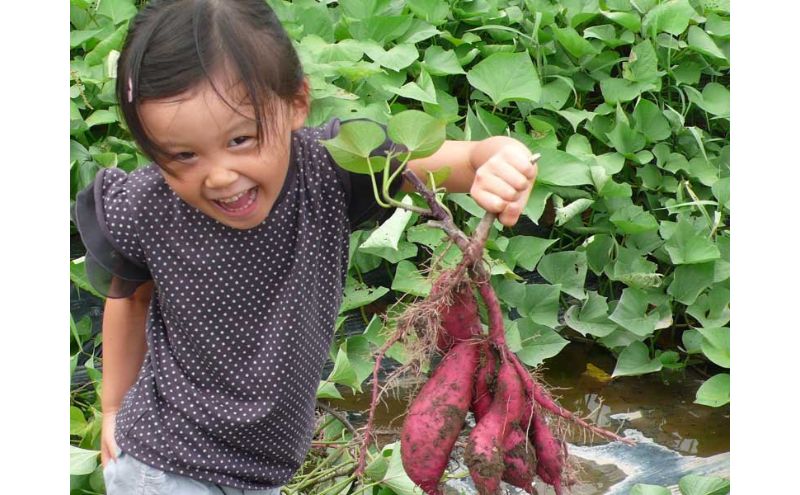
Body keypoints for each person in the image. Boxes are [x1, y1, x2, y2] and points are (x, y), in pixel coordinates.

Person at [71, 1, 539, 493]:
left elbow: (465, 160)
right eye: (183, 155)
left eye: (241, 140)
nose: (220, 176)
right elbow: (130, 299)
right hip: (167, 462)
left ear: (296, 103)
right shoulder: (148, 206)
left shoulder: (333, 169)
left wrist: (498, 157)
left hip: (265, 466)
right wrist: (113, 406)